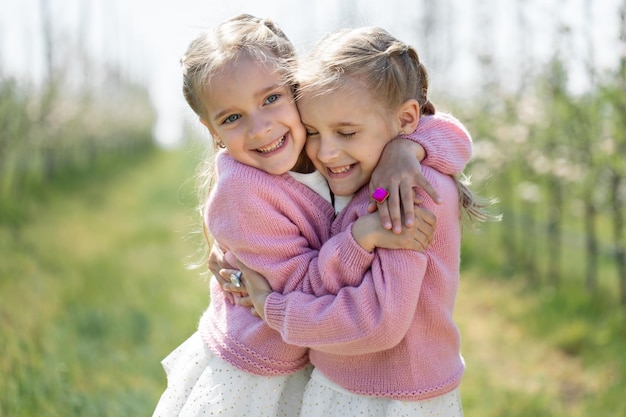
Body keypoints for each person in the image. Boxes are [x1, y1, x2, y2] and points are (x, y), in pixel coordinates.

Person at [152, 15, 472, 417]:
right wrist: (359, 238)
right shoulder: (247, 189)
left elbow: (448, 133)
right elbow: (302, 290)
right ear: (212, 128)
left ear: (298, 90)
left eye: (271, 99)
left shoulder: (353, 161)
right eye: (232, 118)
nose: (261, 128)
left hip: (337, 363)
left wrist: (406, 150)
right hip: (261, 371)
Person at [230, 26, 498, 417]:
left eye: (347, 132)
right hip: (353, 384)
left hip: (387, 398)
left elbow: (376, 322)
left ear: (407, 119)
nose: (327, 151)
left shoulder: (402, 194)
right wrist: (406, 147)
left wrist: (272, 308)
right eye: (313, 132)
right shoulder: (377, 182)